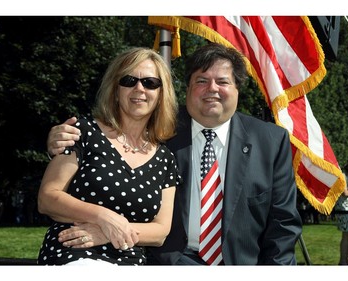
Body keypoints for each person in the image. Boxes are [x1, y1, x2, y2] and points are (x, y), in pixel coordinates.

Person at [46, 43, 302, 265]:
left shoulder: (271, 141)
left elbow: (282, 225)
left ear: (238, 89)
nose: (212, 89)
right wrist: (59, 141)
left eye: (223, 81)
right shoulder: (158, 131)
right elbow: (109, 139)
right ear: (187, 88)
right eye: (201, 81)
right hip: (170, 263)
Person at [37, 47, 180, 266]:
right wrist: (103, 217)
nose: (139, 88)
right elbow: (47, 198)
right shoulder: (82, 131)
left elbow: (160, 232)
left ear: (162, 93)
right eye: (129, 80)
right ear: (115, 89)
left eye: (150, 82)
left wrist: (110, 232)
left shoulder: (165, 159)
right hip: (74, 254)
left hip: (129, 261)